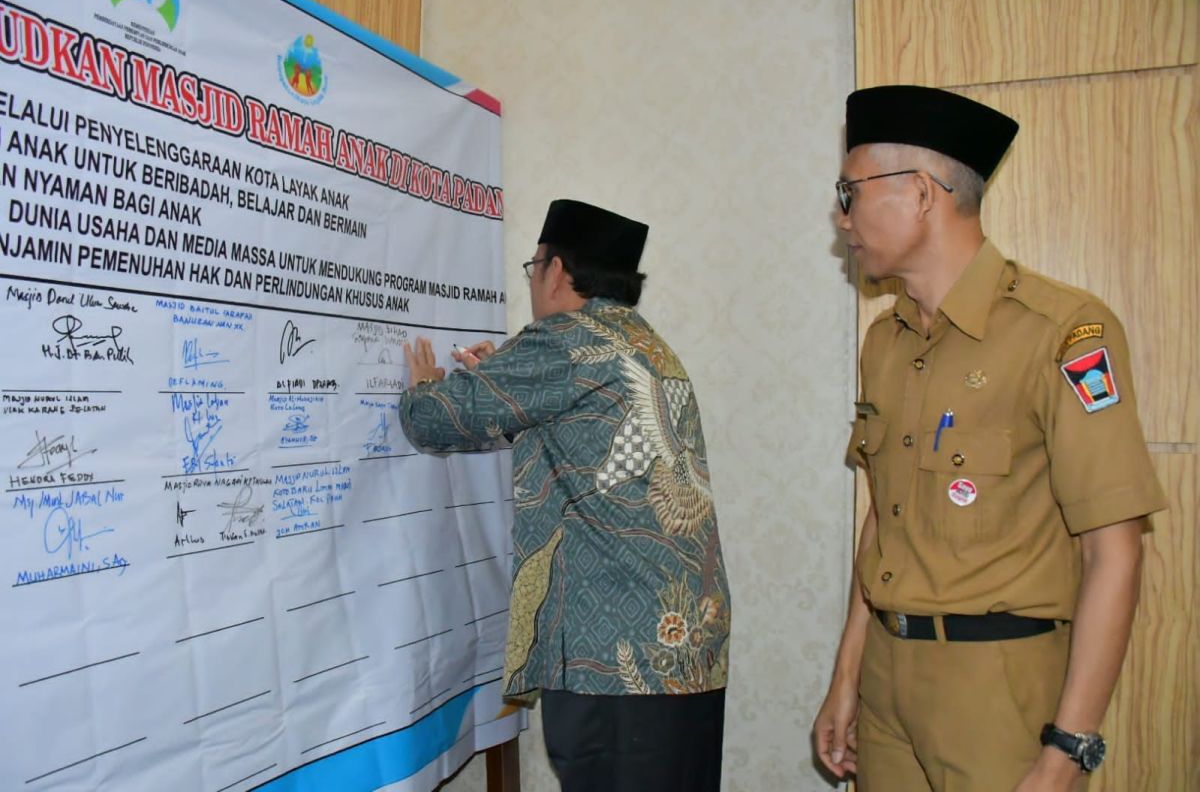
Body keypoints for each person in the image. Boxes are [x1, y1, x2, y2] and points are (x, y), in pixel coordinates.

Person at [812, 85, 1167, 791]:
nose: (841, 216)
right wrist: (847, 676)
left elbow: (1112, 553)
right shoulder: (887, 341)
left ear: (920, 193)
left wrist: (1068, 750)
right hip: (888, 683)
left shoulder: (1062, 332)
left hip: (996, 692)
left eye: (850, 191)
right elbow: (886, 516)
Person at [399, 199, 731, 791]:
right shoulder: (640, 342)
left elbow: (434, 420)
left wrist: (427, 387)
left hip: (614, 660)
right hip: (681, 648)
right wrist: (506, 375)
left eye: (534, 268)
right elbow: (576, 428)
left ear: (556, 269)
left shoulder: (563, 341)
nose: (533, 283)